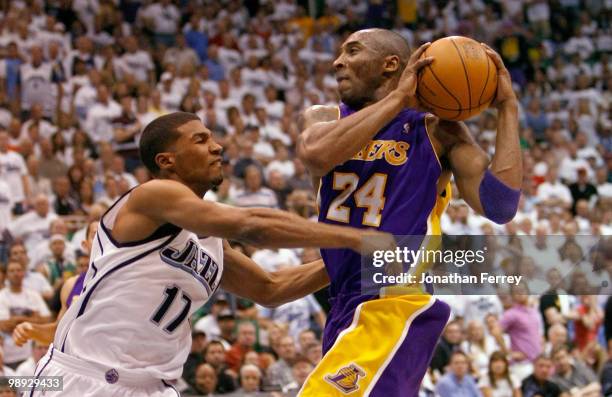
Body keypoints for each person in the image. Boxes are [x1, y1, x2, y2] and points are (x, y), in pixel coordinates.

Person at [28, 112, 392, 396]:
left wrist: (357, 261)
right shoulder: (152, 195)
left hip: (155, 387)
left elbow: (270, 288)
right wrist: (354, 237)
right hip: (84, 377)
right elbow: (252, 225)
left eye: (214, 138)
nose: (217, 147)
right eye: (200, 140)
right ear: (167, 160)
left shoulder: (211, 242)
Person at [297, 28, 521, 396]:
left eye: (352, 51)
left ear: (390, 65)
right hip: (344, 303)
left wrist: (508, 108)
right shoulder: (323, 117)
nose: (338, 61)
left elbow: (500, 205)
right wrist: (400, 97)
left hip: (395, 300)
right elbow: (318, 156)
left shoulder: (437, 132)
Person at [12, 221, 98, 347]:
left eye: (108, 234)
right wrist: (31, 330)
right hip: (81, 362)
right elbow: (58, 332)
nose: (102, 240)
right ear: (85, 245)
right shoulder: (71, 285)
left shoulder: (129, 279)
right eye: (96, 235)